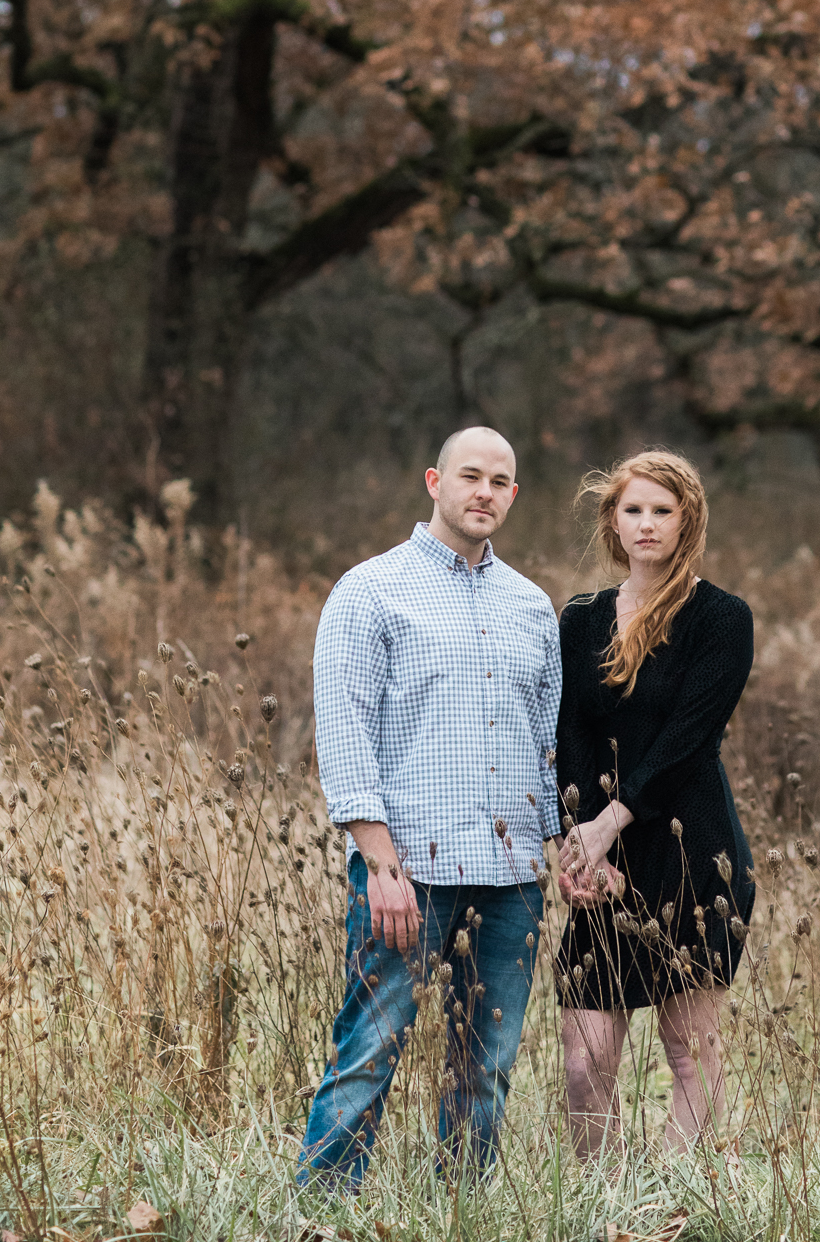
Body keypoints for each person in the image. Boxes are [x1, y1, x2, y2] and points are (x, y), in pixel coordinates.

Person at [297, 426, 562, 1190]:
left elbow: (543, 748)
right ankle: (321, 1211)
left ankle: (460, 1212)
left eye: (499, 481)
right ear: (433, 482)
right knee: (368, 1054)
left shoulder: (531, 607)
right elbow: (345, 737)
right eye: (469, 476)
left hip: (511, 880)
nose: (484, 492)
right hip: (410, 875)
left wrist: (557, 851)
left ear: (512, 495)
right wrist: (380, 866)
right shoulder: (371, 590)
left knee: (485, 1068)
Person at [554, 448, 754, 1157]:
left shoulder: (721, 619)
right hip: (599, 858)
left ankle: (666, 1201)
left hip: (691, 849)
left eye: (660, 512)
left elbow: (685, 742)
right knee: (585, 1060)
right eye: (631, 510)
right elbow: (569, 731)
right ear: (613, 520)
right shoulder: (579, 620)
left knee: (689, 1045)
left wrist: (609, 822)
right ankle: (600, 1205)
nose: (645, 525)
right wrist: (575, 843)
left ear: (685, 521)